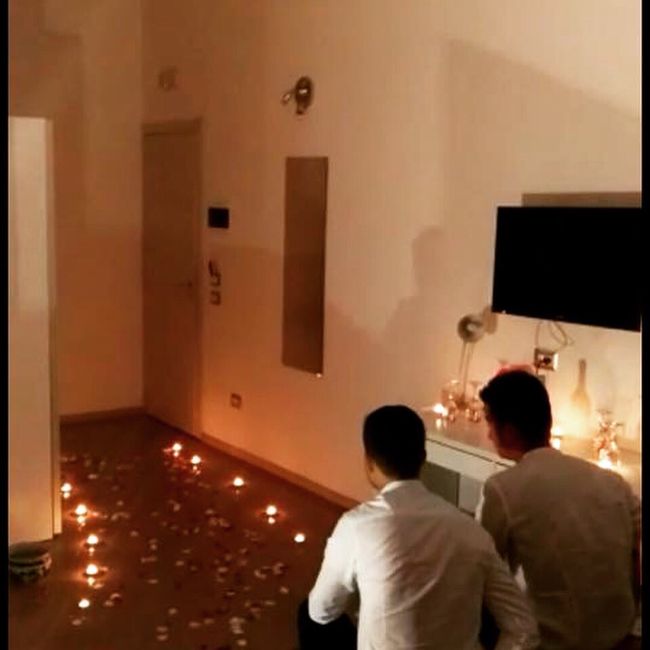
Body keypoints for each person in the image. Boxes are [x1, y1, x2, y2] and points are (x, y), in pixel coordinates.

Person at [298, 404, 539, 650]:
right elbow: (524, 628)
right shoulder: (472, 532)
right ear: (423, 458)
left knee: (307, 615)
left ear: (369, 463)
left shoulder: (356, 527)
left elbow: (321, 610)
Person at [477, 369, 641, 650]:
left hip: (554, 640)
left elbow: (481, 567)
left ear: (509, 430)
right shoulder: (612, 482)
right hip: (619, 636)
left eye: (489, 422)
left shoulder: (502, 488)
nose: (488, 434)